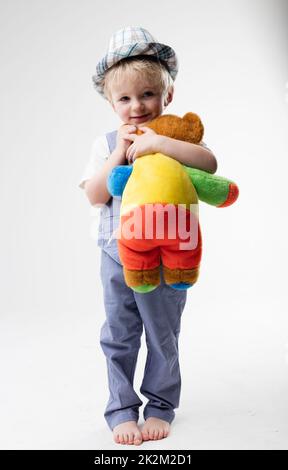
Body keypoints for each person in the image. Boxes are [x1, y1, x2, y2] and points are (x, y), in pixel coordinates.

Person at [79, 26, 217, 446]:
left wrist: (160, 143)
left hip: (168, 254)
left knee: (162, 333)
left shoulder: (176, 135)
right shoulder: (105, 144)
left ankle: (160, 404)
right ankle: (121, 409)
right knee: (118, 333)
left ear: (167, 96)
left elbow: (209, 164)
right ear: (111, 102)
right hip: (116, 254)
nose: (137, 106)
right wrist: (121, 152)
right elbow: (94, 194)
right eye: (125, 98)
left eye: (147, 95)